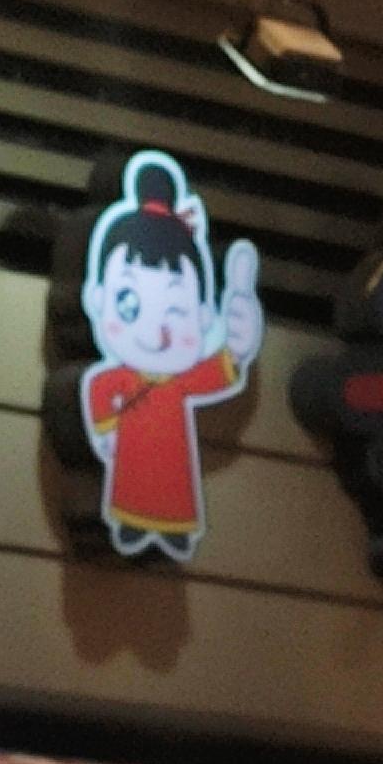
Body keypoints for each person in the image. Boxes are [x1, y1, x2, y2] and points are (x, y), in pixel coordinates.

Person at [69, 151, 262, 560]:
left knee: (173, 492)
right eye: (130, 305)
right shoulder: (114, 378)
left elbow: (222, 369)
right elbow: (98, 400)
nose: (154, 333)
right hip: (129, 469)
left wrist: (238, 343)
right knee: (134, 495)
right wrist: (106, 437)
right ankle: (134, 523)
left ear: (203, 316)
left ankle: (172, 531)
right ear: (97, 298)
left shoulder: (181, 381)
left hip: (172, 467)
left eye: (175, 311)